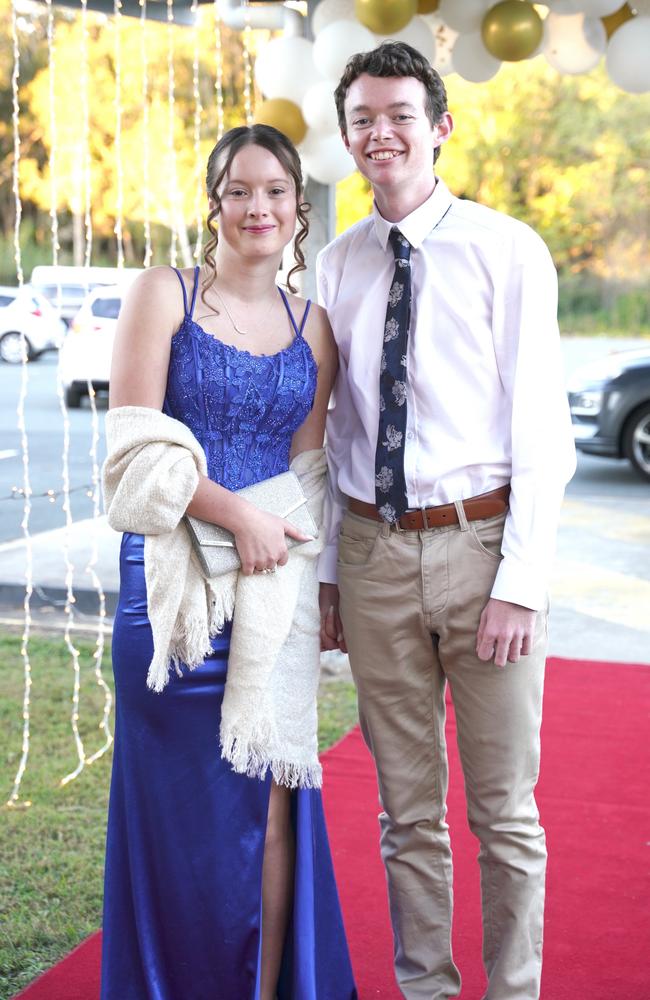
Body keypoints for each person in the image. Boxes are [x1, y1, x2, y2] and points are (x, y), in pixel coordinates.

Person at [317, 42, 576, 1000]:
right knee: (405, 811)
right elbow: (337, 428)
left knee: (505, 811)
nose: (380, 132)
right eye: (363, 119)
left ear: (440, 127)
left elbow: (542, 430)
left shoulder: (508, 249)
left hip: (482, 550)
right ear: (348, 137)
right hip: (374, 552)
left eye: (398, 114)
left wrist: (520, 583)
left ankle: (513, 992)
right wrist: (332, 579)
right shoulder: (337, 264)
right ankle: (425, 986)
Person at [100, 124, 356, 1000]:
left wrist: (315, 581)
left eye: (277, 192)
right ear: (213, 202)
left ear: (298, 210)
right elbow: (131, 448)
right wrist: (231, 512)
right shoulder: (162, 296)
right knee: (175, 817)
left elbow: (312, 473)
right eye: (240, 190)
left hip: (270, 588)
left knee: (273, 800)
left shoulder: (314, 327)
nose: (259, 207)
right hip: (170, 594)